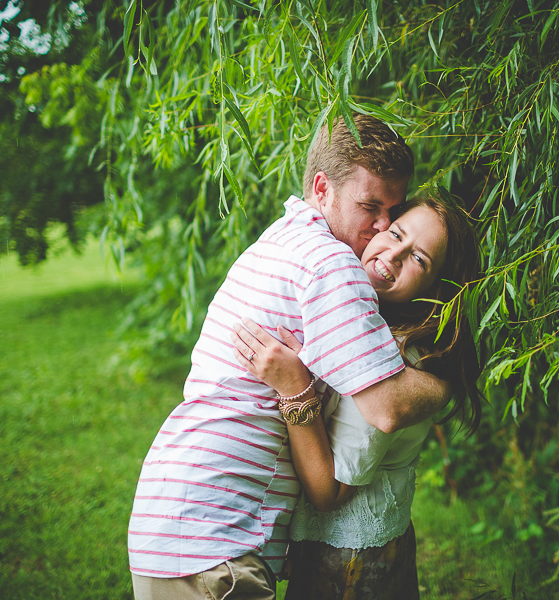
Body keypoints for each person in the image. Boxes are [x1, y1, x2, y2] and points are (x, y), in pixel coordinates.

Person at [128, 115, 453, 600]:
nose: (383, 227)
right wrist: (455, 378)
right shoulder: (333, 265)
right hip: (215, 539)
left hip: (183, 515)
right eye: (371, 207)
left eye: (392, 209)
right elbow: (387, 408)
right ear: (322, 188)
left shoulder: (281, 239)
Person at [230, 190, 483, 599]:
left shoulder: (395, 355)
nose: (394, 255)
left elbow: (328, 491)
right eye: (397, 233)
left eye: (420, 259)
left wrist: (296, 390)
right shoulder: (358, 317)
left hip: (350, 558)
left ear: (438, 288)